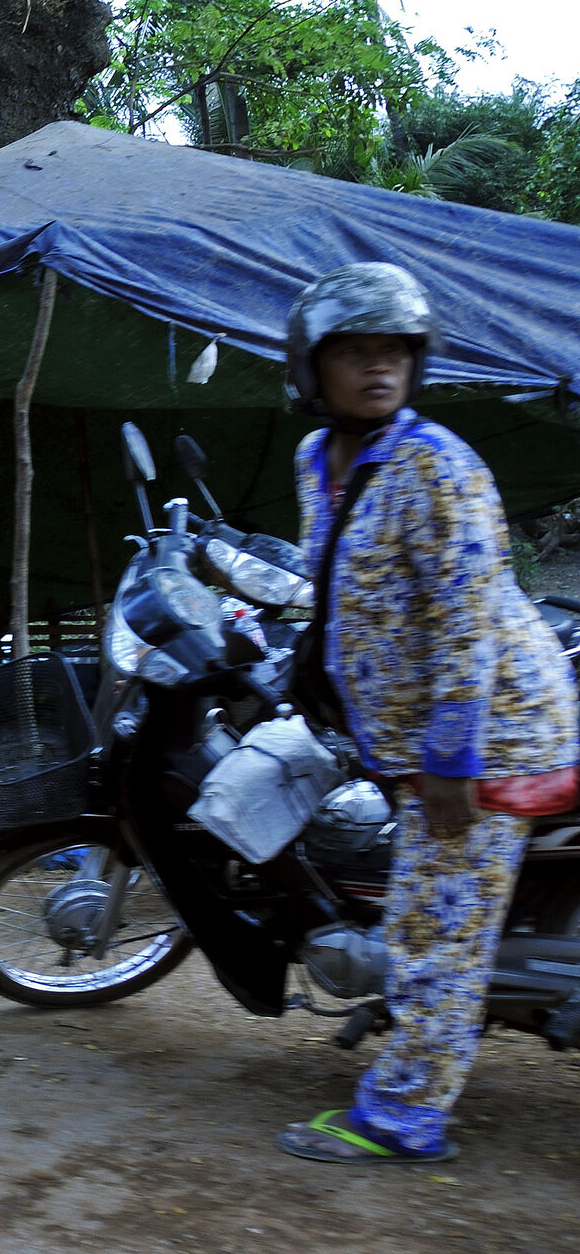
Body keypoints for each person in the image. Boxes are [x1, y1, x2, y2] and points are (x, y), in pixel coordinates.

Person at [275, 264, 579, 1165]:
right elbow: (334, 580)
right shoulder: (317, 460)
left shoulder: (439, 467)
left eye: (394, 352)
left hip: (491, 735)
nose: (378, 368)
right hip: (417, 736)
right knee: (422, 915)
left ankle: (405, 1117)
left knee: (431, 931)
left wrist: (452, 760)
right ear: (310, 367)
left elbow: (465, 620)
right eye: (356, 352)